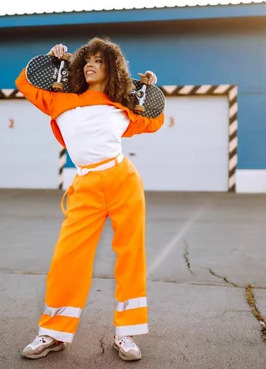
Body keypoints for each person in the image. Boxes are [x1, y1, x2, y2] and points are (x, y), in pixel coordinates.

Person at [14, 36, 164, 361]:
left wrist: (149, 90)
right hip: (85, 186)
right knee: (67, 258)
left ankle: (126, 335)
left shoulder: (122, 106)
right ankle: (53, 333)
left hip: (124, 180)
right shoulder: (60, 99)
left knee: (131, 256)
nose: (91, 64)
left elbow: (154, 120)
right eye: (87, 60)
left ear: (112, 67)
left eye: (98, 60)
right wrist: (53, 60)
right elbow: (25, 83)